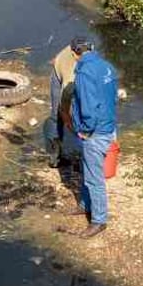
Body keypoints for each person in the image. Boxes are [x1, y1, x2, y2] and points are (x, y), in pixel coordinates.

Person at [71, 39, 118, 238]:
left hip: (94, 132)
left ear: (75, 53)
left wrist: (86, 130)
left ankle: (99, 220)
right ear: (91, 49)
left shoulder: (84, 73)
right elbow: (113, 97)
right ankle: (85, 204)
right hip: (108, 125)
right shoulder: (107, 67)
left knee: (94, 178)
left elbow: (87, 106)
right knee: (87, 168)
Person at [45, 38, 86, 168]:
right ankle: (55, 156)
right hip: (59, 73)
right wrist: (69, 122)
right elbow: (64, 106)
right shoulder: (70, 79)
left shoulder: (93, 62)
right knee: (56, 116)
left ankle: (81, 154)